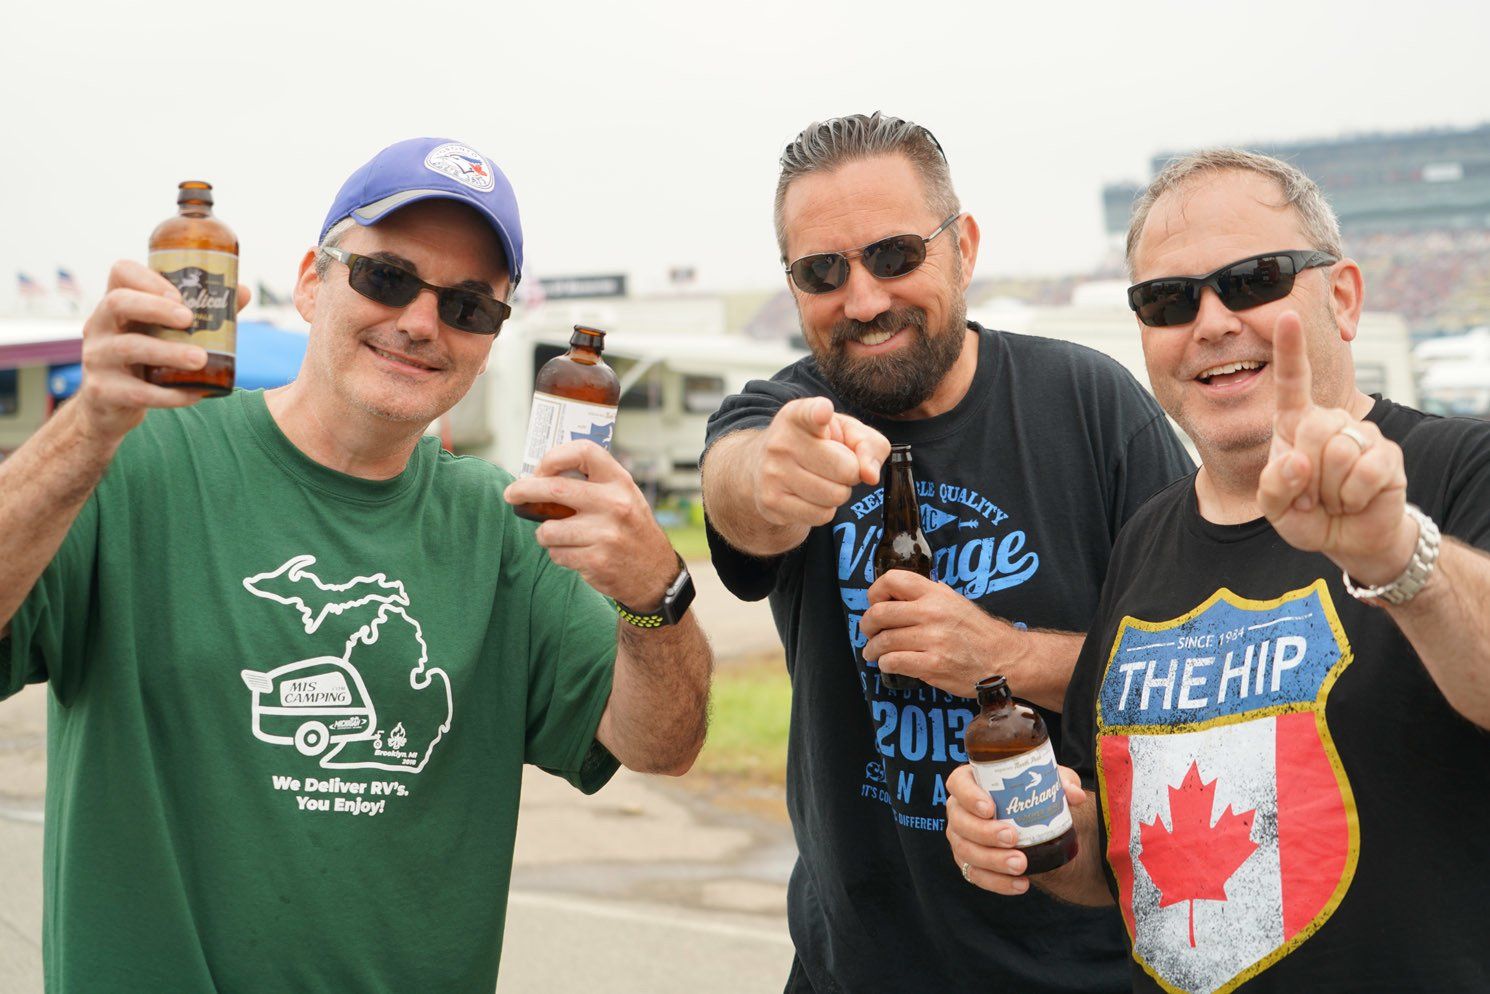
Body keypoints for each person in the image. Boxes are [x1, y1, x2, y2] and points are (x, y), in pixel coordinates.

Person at [0, 136, 711, 992]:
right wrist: (81, 432)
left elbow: (660, 744)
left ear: (490, 338)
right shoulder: (134, 466)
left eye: (469, 307)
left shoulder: (507, 532)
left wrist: (655, 596)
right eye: (386, 278)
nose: (420, 322)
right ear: (310, 281)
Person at [946, 149, 1490, 992]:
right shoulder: (1144, 540)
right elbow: (1117, 867)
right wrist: (1038, 828)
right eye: (1168, 300)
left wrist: (1398, 556)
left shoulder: (1459, 470)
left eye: (1253, 280)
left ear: (1342, 298)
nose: (1210, 323)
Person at [700, 112, 1194, 993]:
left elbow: (1190, 662)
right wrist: (769, 478)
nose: (862, 299)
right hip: (854, 970)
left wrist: (1007, 657)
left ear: (961, 246)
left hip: (1082, 967)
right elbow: (739, 486)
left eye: (894, 256)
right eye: (822, 272)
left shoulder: (1089, 405)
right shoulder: (787, 415)